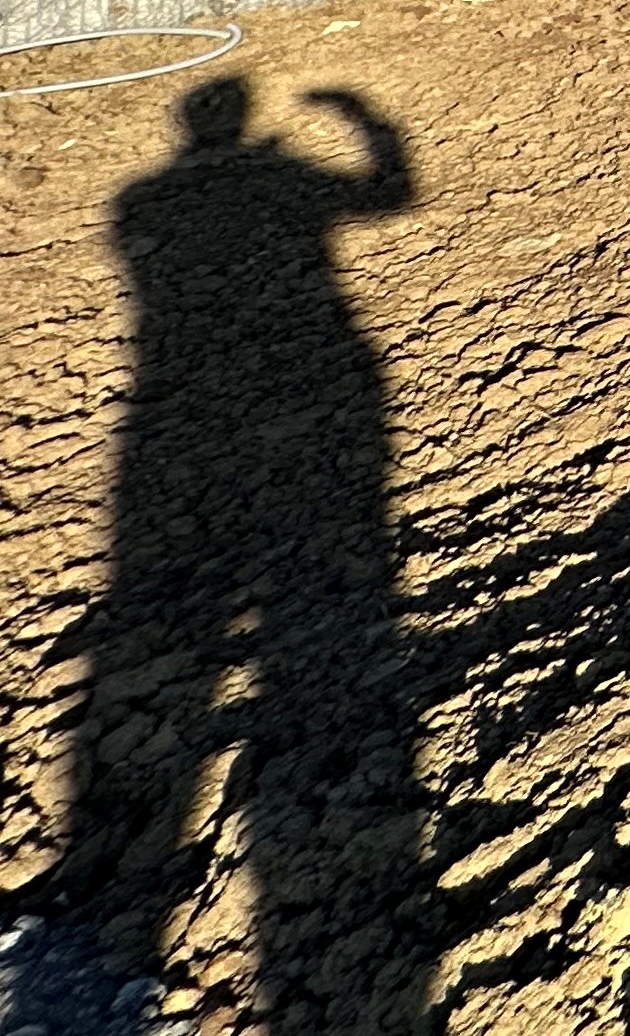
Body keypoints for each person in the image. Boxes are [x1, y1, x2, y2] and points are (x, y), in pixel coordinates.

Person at [55, 79, 430, 1028]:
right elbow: (393, 194)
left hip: (180, 413)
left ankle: (120, 870)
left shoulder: (142, 199)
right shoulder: (282, 180)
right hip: (312, 379)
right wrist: (369, 126)